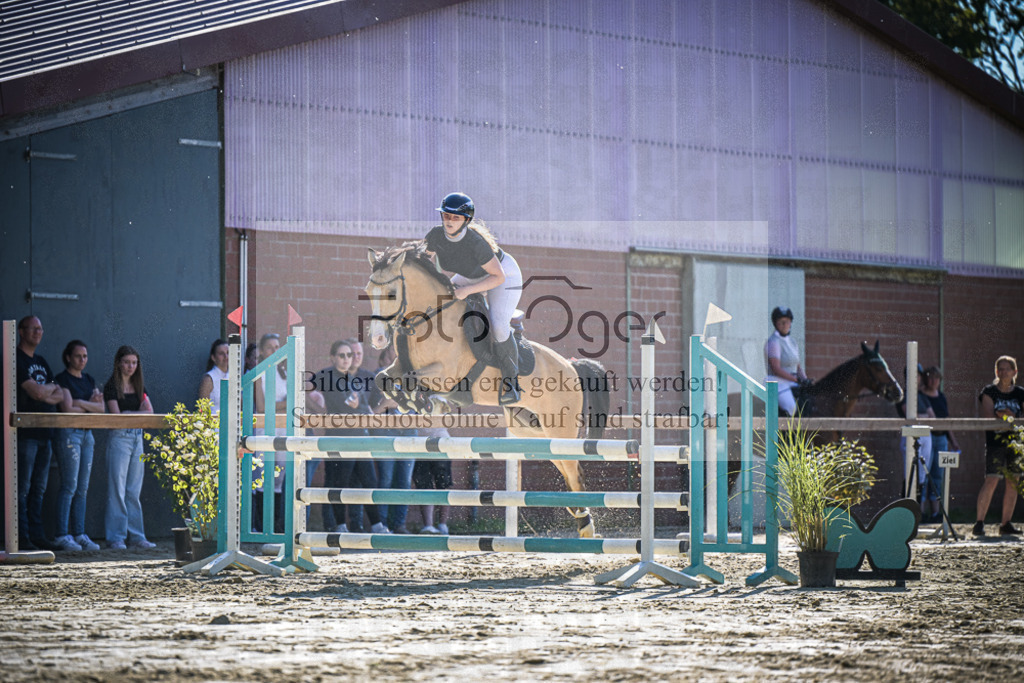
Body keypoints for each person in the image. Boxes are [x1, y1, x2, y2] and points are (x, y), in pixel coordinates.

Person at [424, 192, 523, 405]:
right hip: (472, 275)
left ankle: (511, 382)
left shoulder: (476, 243)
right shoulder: (435, 235)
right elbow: (423, 262)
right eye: (446, 216)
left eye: (455, 217)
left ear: (466, 220)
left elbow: (498, 277)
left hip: (503, 276)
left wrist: (467, 291)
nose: (449, 221)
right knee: (442, 304)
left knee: (497, 326)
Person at [314, 340, 388, 534]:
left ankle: (377, 524)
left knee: (369, 481)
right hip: (338, 438)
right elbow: (341, 405)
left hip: (359, 438)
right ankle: (339, 525)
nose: (347, 359)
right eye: (342, 355)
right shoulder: (326, 375)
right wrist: (319, 411)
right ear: (332, 357)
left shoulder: (354, 379)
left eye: (349, 355)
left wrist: (357, 408)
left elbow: (365, 410)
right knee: (339, 482)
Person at [15, 316, 69, 550]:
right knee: (23, 489)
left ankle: (37, 536)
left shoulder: (41, 361)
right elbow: (36, 393)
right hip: (25, 434)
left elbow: (60, 395)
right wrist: (46, 391)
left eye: (40, 328)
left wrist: (44, 391)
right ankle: (21, 537)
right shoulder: (15, 360)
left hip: (45, 434)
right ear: (21, 332)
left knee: (39, 489)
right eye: (33, 328)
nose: (38, 332)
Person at [52, 340, 105, 551]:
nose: (82, 360)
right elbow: (66, 408)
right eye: (78, 356)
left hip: (87, 434)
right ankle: (61, 534)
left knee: (82, 488)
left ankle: (79, 533)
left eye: (85, 356)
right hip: (69, 434)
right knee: (69, 486)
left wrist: (80, 403)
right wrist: (86, 405)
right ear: (68, 357)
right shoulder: (61, 379)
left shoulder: (89, 379)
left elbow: (100, 408)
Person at [103, 345, 156, 550]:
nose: (130, 366)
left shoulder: (139, 386)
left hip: (137, 438)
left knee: (133, 489)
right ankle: (116, 537)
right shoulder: (111, 386)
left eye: (134, 362)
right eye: (126, 362)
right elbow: (117, 418)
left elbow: (150, 413)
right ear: (118, 363)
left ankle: (136, 536)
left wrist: (129, 415)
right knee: (117, 488)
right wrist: (134, 415)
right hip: (120, 439)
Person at [973, 355, 1024, 537]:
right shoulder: (989, 392)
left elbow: (1019, 420)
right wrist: (1009, 418)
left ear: (1014, 372)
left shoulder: (1020, 393)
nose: (1003, 372)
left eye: (1007, 369)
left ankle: (1006, 523)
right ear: (996, 371)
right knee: (992, 479)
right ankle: (979, 522)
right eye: (1000, 369)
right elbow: (989, 417)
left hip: (1016, 444)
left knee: (1013, 482)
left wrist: (1006, 417)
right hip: (996, 443)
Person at [371, 345, 415, 534]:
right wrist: (388, 402)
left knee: (404, 480)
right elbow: (377, 406)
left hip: (408, 430)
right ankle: (382, 524)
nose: (395, 357)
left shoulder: (411, 375)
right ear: (382, 360)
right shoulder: (377, 377)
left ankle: (399, 523)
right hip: (385, 431)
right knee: (386, 478)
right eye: (391, 355)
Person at [252, 333, 287, 533]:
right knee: (261, 478)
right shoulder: (258, 373)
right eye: (270, 347)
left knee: (278, 480)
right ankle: (259, 525)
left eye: (277, 347)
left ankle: (273, 525)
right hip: (265, 429)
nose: (274, 351)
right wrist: (285, 404)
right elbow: (262, 406)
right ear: (262, 351)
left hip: (282, 430)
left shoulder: (283, 373)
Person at [920, 366, 961, 524]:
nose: (933, 381)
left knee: (938, 475)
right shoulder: (921, 396)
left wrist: (954, 441)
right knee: (924, 474)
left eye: (936, 378)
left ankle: (936, 512)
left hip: (941, 438)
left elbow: (946, 419)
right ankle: (921, 511)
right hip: (927, 437)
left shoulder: (941, 396)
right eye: (930, 377)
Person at [763, 306, 807, 417]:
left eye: (787, 322)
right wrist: (796, 380)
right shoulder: (773, 342)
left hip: (792, 381)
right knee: (791, 407)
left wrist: (806, 380)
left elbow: (798, 367)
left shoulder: (792, 342)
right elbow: (776, 369)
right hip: (777, 383)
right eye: (781, 322)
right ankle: (786, 434)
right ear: (775, 324)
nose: (784, 325)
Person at [413, 428, 452, 535]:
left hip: (441, 442)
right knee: (423, 484)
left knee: (443, 484)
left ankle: (443, 525)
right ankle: (428, 526)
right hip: (418, 443)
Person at [198, 339, 229, 413]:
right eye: (221, 353)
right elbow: (203, 410)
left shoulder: (234, 376)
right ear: (213, 357)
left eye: (228, 353)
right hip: (214, 423)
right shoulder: (208, 379)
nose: (226, 356)